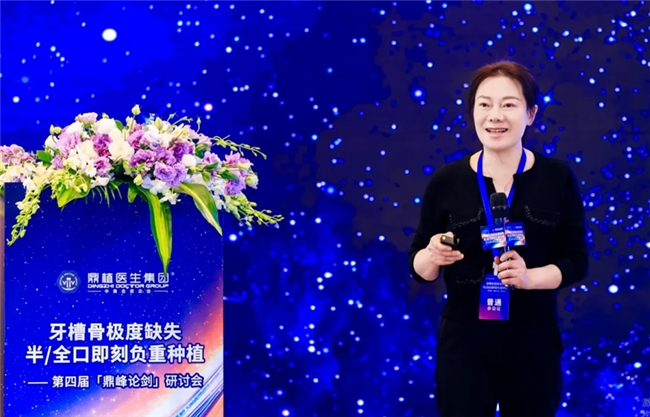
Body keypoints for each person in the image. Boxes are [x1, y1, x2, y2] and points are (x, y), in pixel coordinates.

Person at [408, 61, 588, 417]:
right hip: (464, 339)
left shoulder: (557, 177)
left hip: (533, 337)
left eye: (509, 104)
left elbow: (576, 260)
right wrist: (432, 255)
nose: (495, 116)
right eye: (485, 104)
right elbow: (419, 268)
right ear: (473, 112)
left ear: (531, 114)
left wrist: (528, 277)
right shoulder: (446, 180)